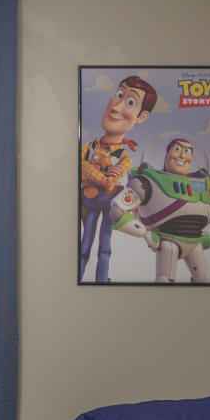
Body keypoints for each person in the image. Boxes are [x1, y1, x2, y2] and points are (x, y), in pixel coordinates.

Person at [108, 136, 210, 283]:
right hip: (167, 243)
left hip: (196, 243)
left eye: (187, 151)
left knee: (206, 280)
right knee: (164, 281)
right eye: (177, 149)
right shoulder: (148, 182)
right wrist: (144, 232)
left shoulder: (206, 185)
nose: (182, 155)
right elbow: (117, 209)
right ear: (167, 153)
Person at [79, 76, 156, 282]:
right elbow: (83, 165)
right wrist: (103, 179)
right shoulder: (89, 147)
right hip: (90, 200)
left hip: (108, 203)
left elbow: (116, 174)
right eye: (119, 95)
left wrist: (103, 179)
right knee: (84, 246)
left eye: (130, 102)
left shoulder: (124, 158)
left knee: (105, 247)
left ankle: (101, 281)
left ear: (141, 117)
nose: (116, 106)